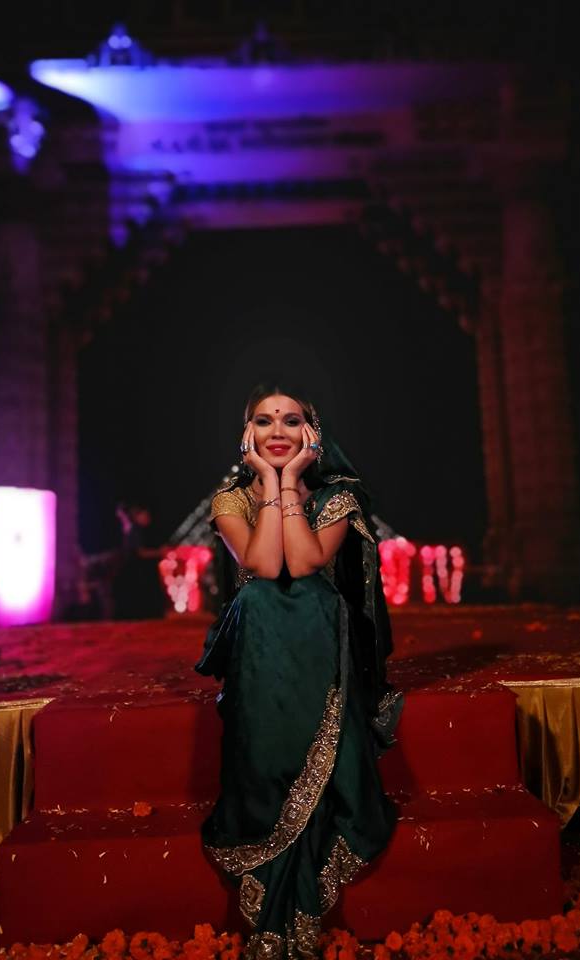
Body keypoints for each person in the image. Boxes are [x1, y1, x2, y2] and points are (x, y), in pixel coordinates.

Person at [195, 385, 403, 959]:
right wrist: (270, 479)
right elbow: (265, 565)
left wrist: (287, 482)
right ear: (247, 436)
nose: (278, 432)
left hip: (319, 643)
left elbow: (305, 561)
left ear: (313, 434)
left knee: (308, 595)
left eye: (291, 420)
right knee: (262, 598)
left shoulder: (338, 498)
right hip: (261, 650)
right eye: (264, 422)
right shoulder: (230, 500)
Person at [112, 502, 165, 619]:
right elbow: (140, 553)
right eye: (145, 514)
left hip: (138, 573)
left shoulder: (137, 530)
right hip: (139, 574)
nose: (147, 517)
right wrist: (159, 553)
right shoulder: (135, 531)